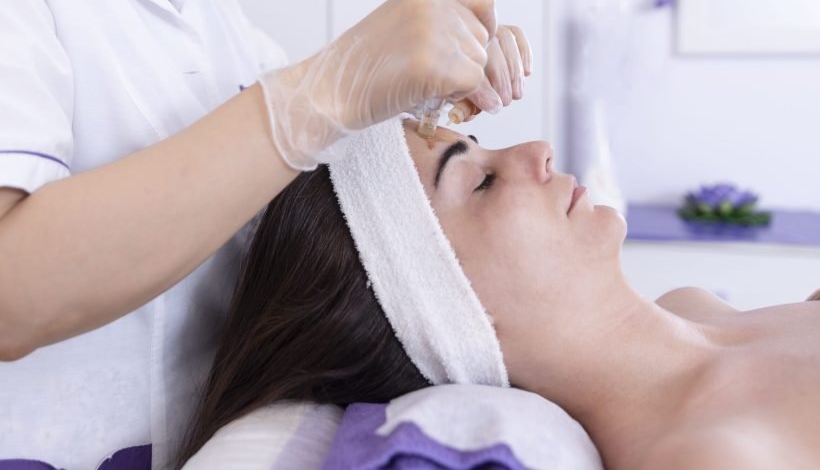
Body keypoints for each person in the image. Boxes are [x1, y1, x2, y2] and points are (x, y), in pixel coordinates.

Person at [0, 0, 532, 467]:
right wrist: (326, 92)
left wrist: (400, 96)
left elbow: (324, 200)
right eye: (480, 176)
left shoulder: (209, 9)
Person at [181, 118, 820, 469]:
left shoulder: (694, 304)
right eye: (480, 182)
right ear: (446, 309)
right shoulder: (710, 455)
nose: (537, 151)